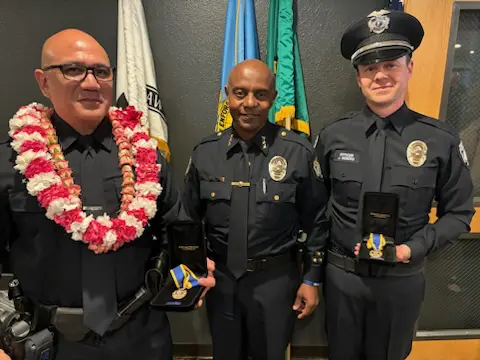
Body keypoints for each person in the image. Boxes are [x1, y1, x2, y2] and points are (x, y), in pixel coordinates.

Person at [0, 29, 215, 360]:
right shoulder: (13, 161)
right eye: (73, 69)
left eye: (102, 71)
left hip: (142, 337)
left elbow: (177, 229)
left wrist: (193, 273)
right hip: (49, 344)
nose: (91, 83)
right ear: (44, 82)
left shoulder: (147, 157)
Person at [313, 10, 475, 360]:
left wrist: (413, 248)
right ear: (358, 77)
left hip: (401, 281)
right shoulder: (333, 136)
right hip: (343, 280)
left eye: (391, 64)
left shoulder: (440, 140)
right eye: (370, 68)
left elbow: (459, 212)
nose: (380, 75)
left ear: (409, 68)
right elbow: (315, 209)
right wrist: (312, 273)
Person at [181, 58, 329, 360]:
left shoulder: (298, 152)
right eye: (240, 93)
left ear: (273, 98)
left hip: (275, 281)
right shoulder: (205, 153)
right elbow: (186, 219)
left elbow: (317, 220)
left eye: (260, 94)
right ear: (227, 94)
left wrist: (311, 279)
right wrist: (189, 273)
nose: (250, 103)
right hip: (220, 281)